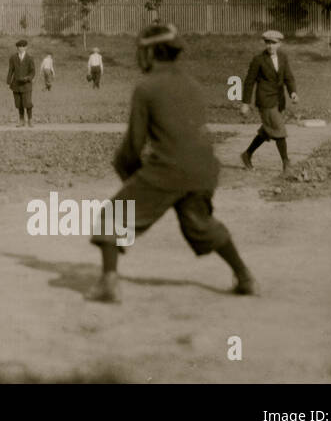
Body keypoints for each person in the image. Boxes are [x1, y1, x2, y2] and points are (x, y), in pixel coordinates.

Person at [88, 24, 256, 303]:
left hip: (169, 169)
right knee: (200, 224)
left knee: (112, 216)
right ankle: (245, 277)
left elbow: (132, 148)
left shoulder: (146, 87)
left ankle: (108, 283)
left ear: (153, 52)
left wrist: (131, 177)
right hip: (205, 169)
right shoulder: (192, 84)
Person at [239, 30, 298, 174]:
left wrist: (293, 93)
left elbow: (288, 77)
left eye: (274, 43)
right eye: (268, 43)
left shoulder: (283, 57)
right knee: (279, 129)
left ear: (280, 44)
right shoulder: (258, 59)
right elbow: (249, 82)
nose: (270, 46)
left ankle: (247, 154)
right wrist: (245, 103)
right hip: (265, 101)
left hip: (279, 101)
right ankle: (286, 164)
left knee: (267, 131)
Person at [7, 39, 36, 127]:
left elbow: (33, 71)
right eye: (19, 47)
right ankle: (21, 120)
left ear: (26, 47)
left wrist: (28, 78)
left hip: (26, 84)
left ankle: (30, 120)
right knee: (19, 103)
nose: (21, 48)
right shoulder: (13, 58)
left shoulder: (30, 58)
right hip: (16, 84)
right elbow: (11, 70)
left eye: (23, 46)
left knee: (27, 103)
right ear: (17, 48)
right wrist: (8, 81)